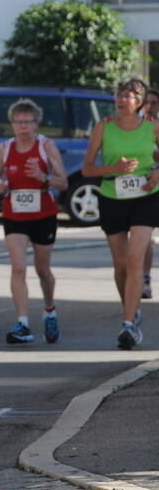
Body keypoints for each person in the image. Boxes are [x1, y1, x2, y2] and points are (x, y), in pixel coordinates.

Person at [81, 77, 159, 349]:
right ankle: (131, 307)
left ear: (139, 102)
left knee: (136, 258)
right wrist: (114, 169)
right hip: (112, 196)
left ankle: (128, 324)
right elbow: (87, 169)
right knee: (121, 265)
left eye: (128, 95)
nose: (122, 99)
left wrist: (157, 173)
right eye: (119, 94)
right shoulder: (105, 126)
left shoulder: (152, 126)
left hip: (145, 198)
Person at [0, 98, 67, 344]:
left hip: (43, 212)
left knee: (42, 270)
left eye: (28, 122)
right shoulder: (5, 148)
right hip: (14, 213)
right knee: (18, 267)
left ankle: (49, 309)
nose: (23, 127)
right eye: (18, 122)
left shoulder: (46, 146)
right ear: (12, 124)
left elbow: (62, 182)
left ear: (36, 124)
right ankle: (22, 323)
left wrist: (44, 177)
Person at [140, 87, 159, 299]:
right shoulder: (134, 126)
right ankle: (144, 277)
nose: (150, 106)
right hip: (143, 187)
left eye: (154, 103)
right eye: (147, 102)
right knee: (143, 235)